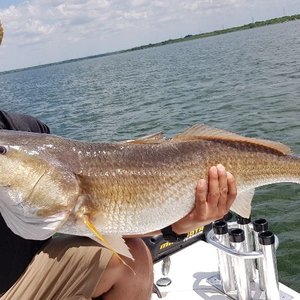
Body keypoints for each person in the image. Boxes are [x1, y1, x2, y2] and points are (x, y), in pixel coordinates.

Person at [0, 111, 237, 300]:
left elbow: (105, 215)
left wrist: (177, 226)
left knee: (132, 259)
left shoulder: (27, 129)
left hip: (26, 273)